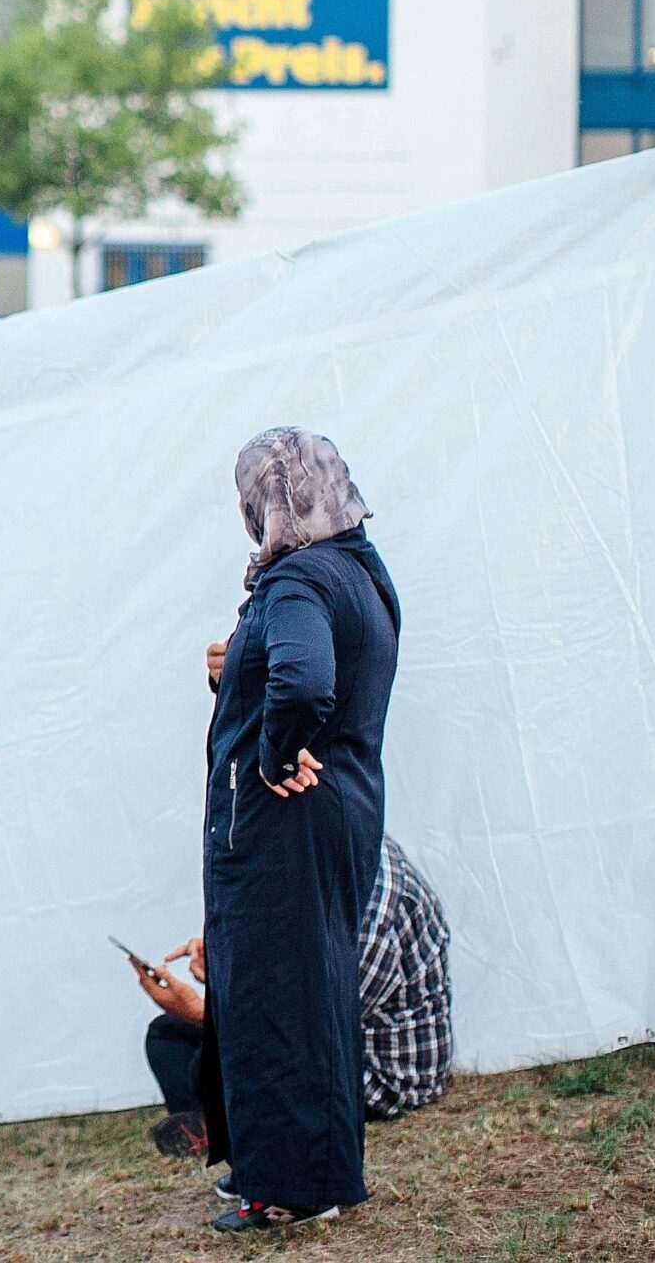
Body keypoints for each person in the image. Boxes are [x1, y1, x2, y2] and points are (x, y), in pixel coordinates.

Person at [190, 427, 402, 1234]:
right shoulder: (357, 571)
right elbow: (316, 665)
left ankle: (288, 1187)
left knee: (278, 996)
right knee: (310, 989)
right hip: (342, 810)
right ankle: (302, 1166)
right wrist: (233, 663)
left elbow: (306, 678)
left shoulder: (294, 581)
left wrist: (279, 751)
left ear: (267, 502)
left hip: (285, 821)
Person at [130, 833, 452, 1162]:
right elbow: (290, 955)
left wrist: (202, 1012)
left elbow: (304, 1032)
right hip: (327, 1034)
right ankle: (206, 1125)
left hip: (377, 1076)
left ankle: (224, 1121)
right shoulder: (342, 849)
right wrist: (223, 952)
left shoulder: (371, 917)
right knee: (166, 1034)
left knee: (224, 1052)